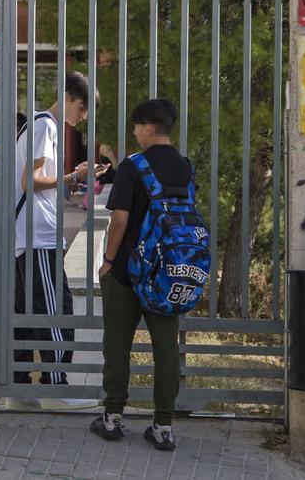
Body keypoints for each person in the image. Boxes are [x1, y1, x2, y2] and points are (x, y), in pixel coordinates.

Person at [90, 99, 186, 451]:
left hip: (129, 271)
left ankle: (112, 418)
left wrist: (108, 260)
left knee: (117, 345)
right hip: (168, 273)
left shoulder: (134, 165)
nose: (133, 132)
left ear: (147, 127)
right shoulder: (184, 166)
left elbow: (119, 219)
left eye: (135, 126)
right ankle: (163, 426)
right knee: (165, 350)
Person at [10, 72, 107, 409]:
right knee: (55, 310)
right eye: (82, 109)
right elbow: (30, 180)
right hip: (37, 236)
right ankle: (57, 386)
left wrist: (74, 176)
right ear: (67, 97)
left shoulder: (38, 124)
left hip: (27, 236)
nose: (82, 118)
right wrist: (71, 176)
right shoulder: (45, 126)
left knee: (25, 310)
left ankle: (19, 386)